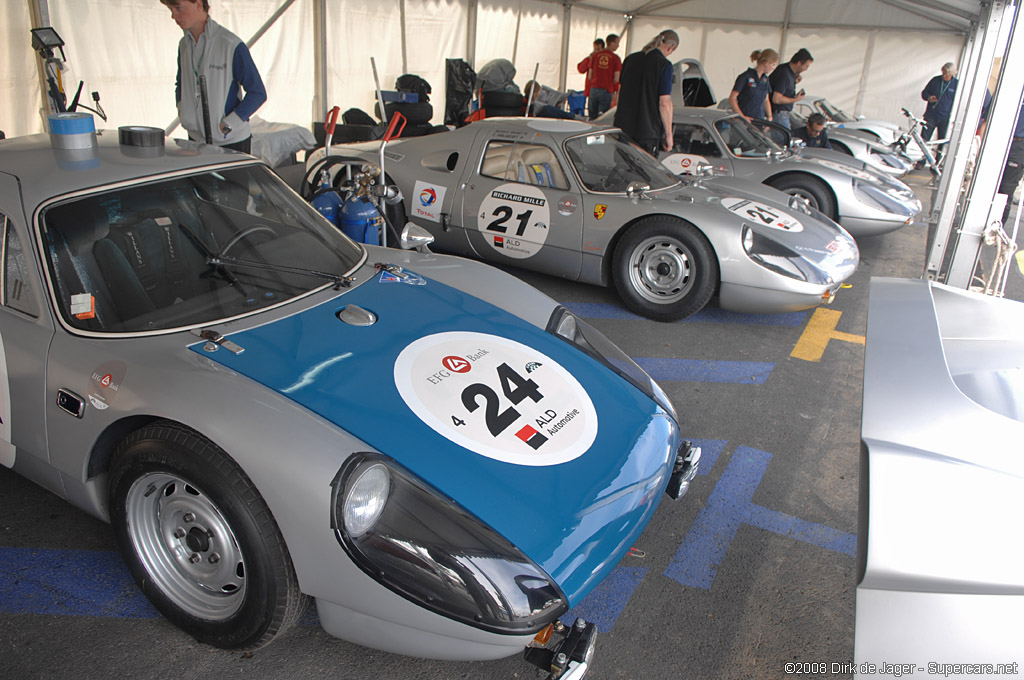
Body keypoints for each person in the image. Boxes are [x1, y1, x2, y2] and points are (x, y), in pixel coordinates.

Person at [161, 0, 266, 153]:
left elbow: (258, 93)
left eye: (178, 8)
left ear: (198, 5)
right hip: (195, 140)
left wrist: (228, 124)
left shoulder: (230, 45)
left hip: (231, 141)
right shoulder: (184, 44)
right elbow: (181, 83)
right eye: (171, 9)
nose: (173, 15)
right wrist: (182, 110)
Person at [614, 30, 679, 155]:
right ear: (671, 47)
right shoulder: (664, 65)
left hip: (623, 127)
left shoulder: (630, 59)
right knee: (644, 172)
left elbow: (620, 92)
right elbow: (664, 103)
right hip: (647, 131)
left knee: (621, 167)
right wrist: (669, 135)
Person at [730, 49, 778, 122]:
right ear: (767, 63)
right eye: (773, 64)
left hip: (759, 120)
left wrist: (769, 116)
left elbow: (766, 100)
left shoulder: (765, 79)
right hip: (744, 119)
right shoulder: (745, 77)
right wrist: (741, 116)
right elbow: (732, 98)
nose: (774, 68)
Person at [769, 48, 813, 129]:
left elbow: (782, 87)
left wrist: (795, 82)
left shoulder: (785, 69)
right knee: (783, 139)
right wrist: (796, 99)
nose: (806, 69)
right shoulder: (785, 75)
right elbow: (777, 99)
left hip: (779, 113)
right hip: (779, 113)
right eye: (806, 66)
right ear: (799, 63)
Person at [997, 98, 1024, 224]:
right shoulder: (1014, 88)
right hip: (1001, 139)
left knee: (1006, 188)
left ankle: (998, 224)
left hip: (1019, 146)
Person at [587, 34, 622, 119]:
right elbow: (616, 78)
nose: (618, 45)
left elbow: (590, 76)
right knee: (602, 118)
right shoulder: (615, 58)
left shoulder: (595, 56)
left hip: (594, 89)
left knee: (592, 117)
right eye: (617, 43)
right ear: (612, 43)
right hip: (606, 90)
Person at [920, 62, 958, 141]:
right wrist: (929, 97)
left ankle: (938, 154)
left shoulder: (956, 84)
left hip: (945, 118)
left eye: (946, 74)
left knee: (941, 142)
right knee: (923, 139)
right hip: (931, 115)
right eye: (943, 73)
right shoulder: (935, 80)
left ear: (952, 74)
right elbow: (924, 93)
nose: (944, 76)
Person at [577, 38, 604, 102]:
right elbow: (581, 69)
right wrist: (589, 59)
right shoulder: (590, 59)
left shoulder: (605, 61)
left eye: (598, 49)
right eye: (595, 49)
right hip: (591, 89)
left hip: (603, 90)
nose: (596, 51)